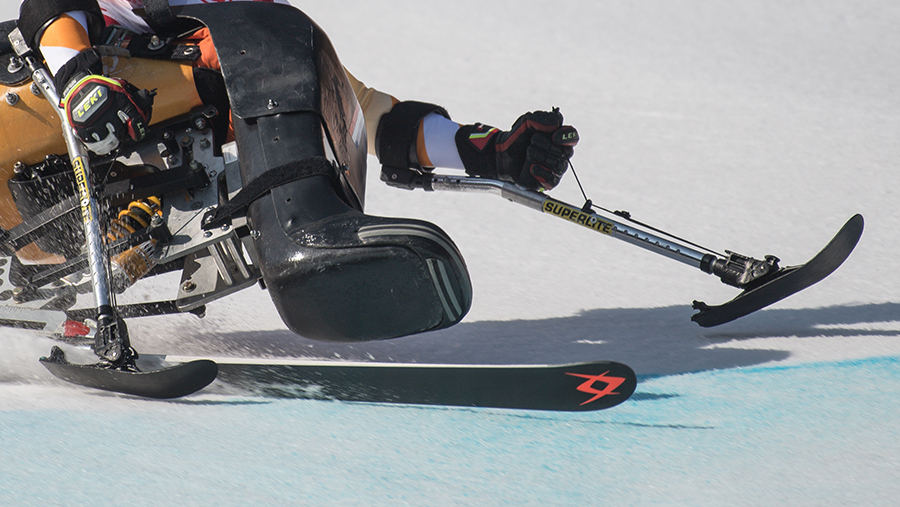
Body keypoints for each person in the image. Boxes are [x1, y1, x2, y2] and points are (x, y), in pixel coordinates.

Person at [17, 0, 578, 191]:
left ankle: (320, 244)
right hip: (45, 99)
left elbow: (360, 113)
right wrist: (80, 79)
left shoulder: (256, 26)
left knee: (283, 62)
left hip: (143, 164)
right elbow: (49, 7)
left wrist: (489, 154)